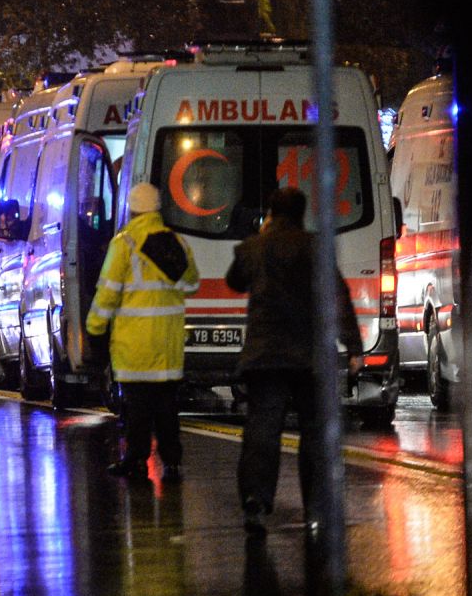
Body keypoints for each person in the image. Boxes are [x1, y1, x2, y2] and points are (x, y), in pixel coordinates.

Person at [225, 186, 362, 535]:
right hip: (310, 355)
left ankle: (255, 499)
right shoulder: (316, 247)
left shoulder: (255, 247)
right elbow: (338, 297)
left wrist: (261, 235)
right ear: (302, 213)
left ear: (271, 211)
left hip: (265, 355)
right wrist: (354, 348)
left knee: (262, 428)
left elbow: (235, 281)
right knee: (314, 431)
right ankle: (316, 506)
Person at [86, 181, 199, 482]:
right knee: (166, 407)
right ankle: (172, 461)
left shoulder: (124, 244)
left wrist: (94, 329)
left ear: (133, 210)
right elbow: (191, 284)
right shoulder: (176, 242)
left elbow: (107, 294)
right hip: (168, 344)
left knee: (137, 408)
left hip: (134, 345)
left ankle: (136, 459)